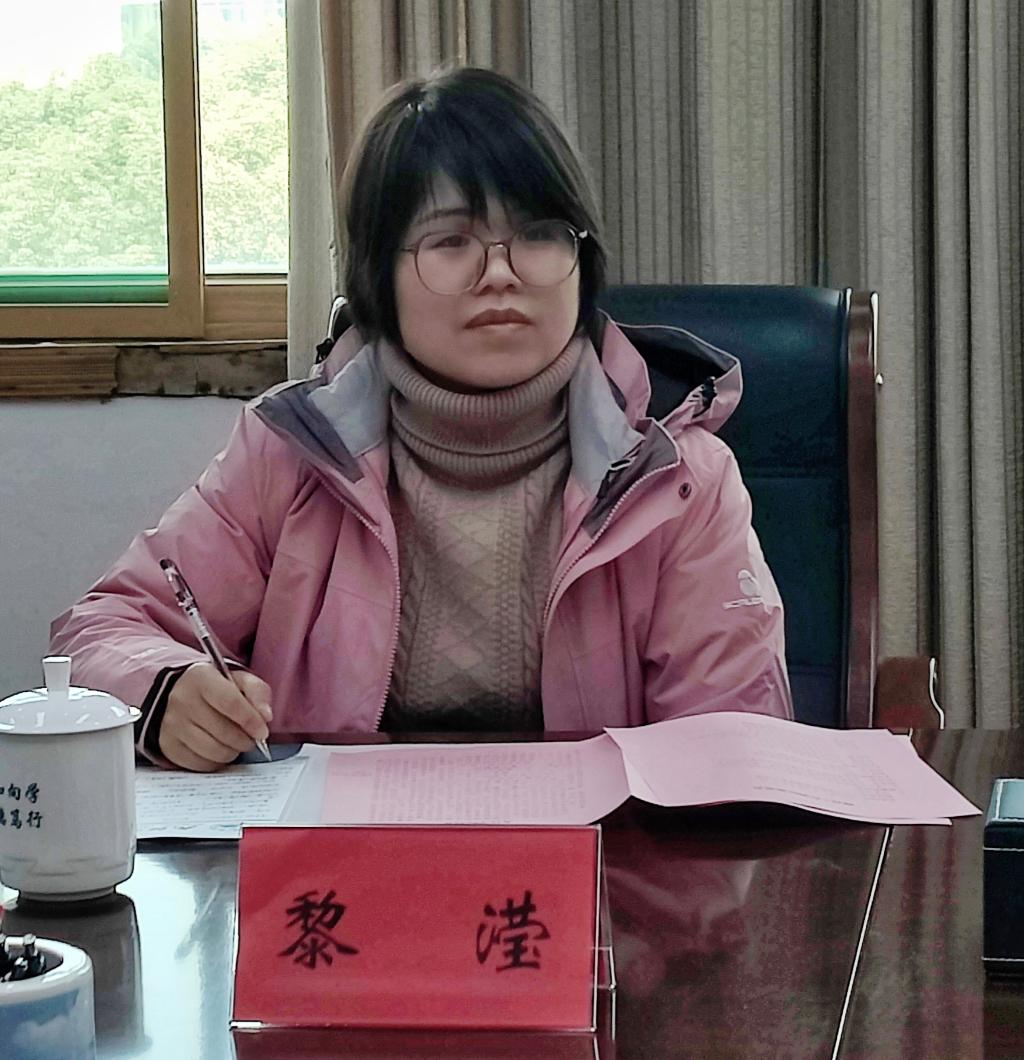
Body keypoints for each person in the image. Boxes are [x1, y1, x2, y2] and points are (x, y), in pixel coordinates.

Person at [50, 67, 792, 772]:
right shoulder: (293, 453)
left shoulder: (676, 478)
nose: (500, 273)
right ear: (380, 276)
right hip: (343, 847)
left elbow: (736, 744)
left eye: (539, 235)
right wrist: (165, 690)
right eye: (450, 242)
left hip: (593, 851)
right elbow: (102, 628)